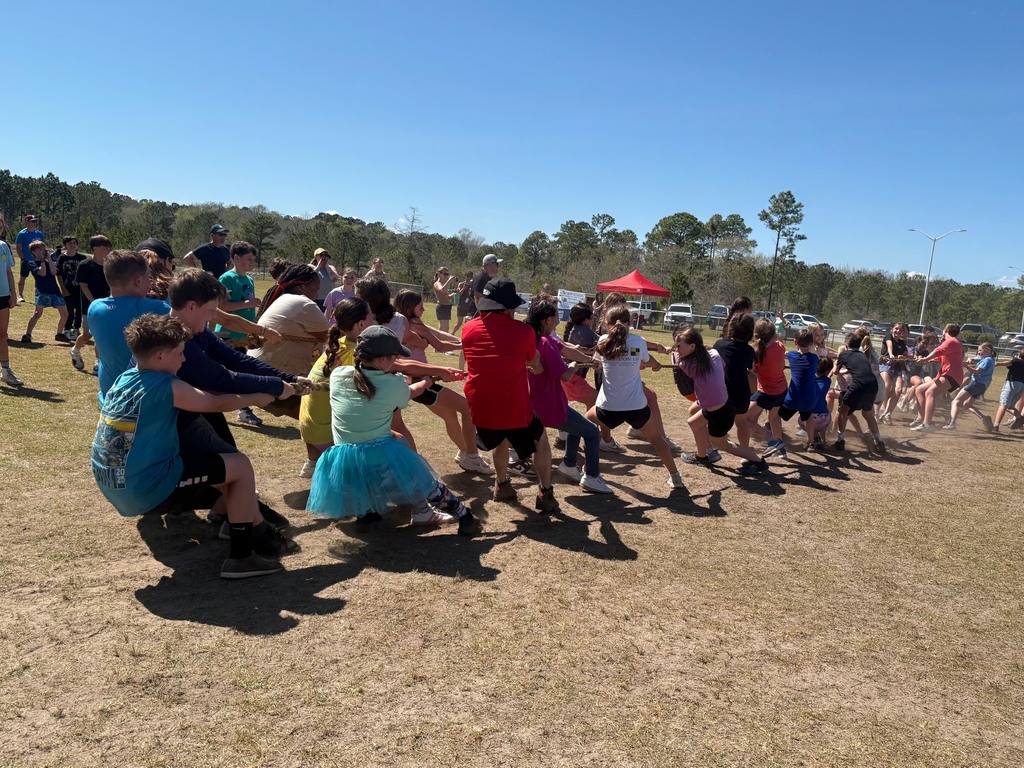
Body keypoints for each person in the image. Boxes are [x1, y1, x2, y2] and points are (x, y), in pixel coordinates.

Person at [91, 313, 286, 580]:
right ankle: (241, 559)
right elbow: (214, 403)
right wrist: (260, 397)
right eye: (181, 352)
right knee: (240, 467)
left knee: (222, 477)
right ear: (160, 356)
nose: (184, 359)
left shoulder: (124, 380)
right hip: (143, 488)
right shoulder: (167, 385)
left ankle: (234, 523)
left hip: (112, 482)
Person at [307, 326, 481, 533]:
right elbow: (409, 391)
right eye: (394, 356)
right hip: (376, 455)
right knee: (417, 472)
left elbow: (381, 385)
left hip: (342, 458)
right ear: (381, 360)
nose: (396, 358)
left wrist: (404, 380)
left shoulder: (339, 375)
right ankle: (463, 514)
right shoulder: (391, 386)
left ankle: (367, 512)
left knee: (395, 441)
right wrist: (426, 381)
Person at [462, 277, 560, 512]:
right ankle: (545, 492)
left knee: (500, 436)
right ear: (507, 308)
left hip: (480, 408)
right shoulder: (524, 331)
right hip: (513, 408)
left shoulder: (467, 329)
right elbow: (535, 364)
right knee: (540, 438)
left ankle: (502, 484)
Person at [394, 289, 494, 475]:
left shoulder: (411, 322)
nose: (423, 308)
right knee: (466, 407)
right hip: (421, 381)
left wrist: (461, 340)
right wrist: (466, 344)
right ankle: (472, 456)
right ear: (409, 308)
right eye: (420, 305)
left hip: (420, 378)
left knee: (450, 417)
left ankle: (465, 453)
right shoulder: (411, 326)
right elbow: (439, 345)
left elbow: (436, 333)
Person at [587, 305, 682, 488]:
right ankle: (675, 477)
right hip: (636, 407)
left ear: (607, 325)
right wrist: (654, 365)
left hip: (608, 408)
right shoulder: (638, 342)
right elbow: (650, 362)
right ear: (630, 323)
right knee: (656, 439)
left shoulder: (604, 341)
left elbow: (600, 363)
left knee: (582, 426)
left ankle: (583, 470)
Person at [526, 297, 613, 493]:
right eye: (556, 316)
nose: (558, 321)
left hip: (536, 403)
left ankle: (569, 464)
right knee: (591, 432)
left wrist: (591, 360)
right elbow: (565, 375)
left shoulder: (532, 339)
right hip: (550, 406)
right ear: (546, 320)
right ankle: (592, 476)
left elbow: (568, 349)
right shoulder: (546, 343)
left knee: (577, 425)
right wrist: (573, 367)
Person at [673, 327, 768, 475]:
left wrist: (668, 353)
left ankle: (758, 461)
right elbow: (716, 362)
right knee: (693, 422)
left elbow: (679, 361)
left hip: (719, 413)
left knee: (722, 443)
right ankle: (701, 456)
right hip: (722, 405)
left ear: (692, 347)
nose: (676, 349)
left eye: (679, 346)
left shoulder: (688, 365)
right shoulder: (714, 354)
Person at [299, 298, 373, 478]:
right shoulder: (355, 352)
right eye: (371, 317)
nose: (374, 320)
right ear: (361, 324)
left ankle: (314, 462)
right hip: (323, 433)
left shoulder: (336, 344)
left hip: (308, 425)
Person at [249, 264, 330, 389]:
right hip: (274, 379)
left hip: (258, 372)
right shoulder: (303, 303)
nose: (317, 295)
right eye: (315, 289)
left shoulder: (284, 298)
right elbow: (330, 336)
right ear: (302, 287)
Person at [560, 302, 620, 452]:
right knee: (600, 404)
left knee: (589, 404)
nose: (593, 320)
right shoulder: (584, 331)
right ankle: (604, 439)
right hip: (573, 379)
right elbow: (603, 343)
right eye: (592, 317)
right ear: (587, 320)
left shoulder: (576, 329)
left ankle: (564, 438)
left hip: (570, 378)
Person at [832, 330, 884, 453]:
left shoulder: (844, 354)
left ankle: (840, 441)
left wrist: (836, 363)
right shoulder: (862, 354)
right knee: (867, 414)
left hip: (859, 385)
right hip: (872, 384)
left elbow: (835, 371)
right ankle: (878, 441)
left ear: (846, 344)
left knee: (843, 410)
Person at [744, 318, 787, 457]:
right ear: (774, 334)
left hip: (767, 393)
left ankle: (772, 440)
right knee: (774, 417)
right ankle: (781, 449)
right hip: (781, 390)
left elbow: (751, 369)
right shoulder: (780, 346)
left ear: (756, 335)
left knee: (744, 418)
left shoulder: (754, 351)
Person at [712, 312, 756, 449]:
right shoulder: (749, 351)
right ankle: (745, 452)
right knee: (741, 420)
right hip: (742, 394)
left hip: (723, 394)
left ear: (731, 328)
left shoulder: (720, 345)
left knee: (710, 419)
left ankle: (709, 449)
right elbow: (751, 369)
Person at [910, 324, 964, 432]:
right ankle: (922, 418)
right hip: (945, 375)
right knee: (919, 390)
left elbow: (937, 352)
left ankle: (927, 424)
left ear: (946, 330)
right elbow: (939, 357)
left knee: (930, 393)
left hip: (951, 375)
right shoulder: (950, 343)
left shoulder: (952, 341)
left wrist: (924, 360)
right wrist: (924, 359)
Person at [71, 235, 113, 373]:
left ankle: (98, 361)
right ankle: (76, 350)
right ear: (95, 248)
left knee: (102, 335)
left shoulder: (110, 266)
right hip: (90, 306)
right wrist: (94, 301)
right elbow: (83, 286)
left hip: (107, 306)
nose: (107, 249)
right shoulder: (85, 265)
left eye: (108, 247)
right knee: (88, 334)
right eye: (104, 247)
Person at [777, 329, 820, 450]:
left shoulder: (791, 355)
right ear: (811, 343)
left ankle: (776, 438)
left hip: (793, 398)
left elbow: (784, 354)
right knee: (809, 416)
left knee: (776, 415)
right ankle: (811, 443)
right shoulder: (814, 358)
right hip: (808, 399)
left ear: (795, 342)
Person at [22, 240, 70, 344]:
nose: (43, 251)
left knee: (65, 313)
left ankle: (59, 333)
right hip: (42, 292)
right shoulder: (31, 263)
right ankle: (28, 334)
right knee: (37, 314)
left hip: (55, 291)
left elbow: (54, 272)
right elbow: (42, 273)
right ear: (34, 252)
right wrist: (43, 261)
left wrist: (48, 259)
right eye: (40, 249)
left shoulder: (50, 262)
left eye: (44, 249)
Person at [945, 342, 996, 431]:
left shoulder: (986, 360)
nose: (978, 352)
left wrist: (966, 366)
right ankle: (984, 418)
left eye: (980, 350)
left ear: (987, 350)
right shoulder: (991, 359)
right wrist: (970, 359)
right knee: (967, 404)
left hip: (975, 384)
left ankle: (952, 423)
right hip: (981, 387)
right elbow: (976, 359)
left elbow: (976, 371)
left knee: (955, 402)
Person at [0, 214, 22, 386]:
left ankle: (6, 371)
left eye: (1, 225)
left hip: (3, 296)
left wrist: (13, 293)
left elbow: (8, 272)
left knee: (2, 335)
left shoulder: (3, 247)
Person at [877, 322, 910, 424]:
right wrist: (891, 354)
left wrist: (903, 357)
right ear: (892, 329)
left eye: (900, 330)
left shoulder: (902, 342)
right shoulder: (888, 336)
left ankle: (887, 414)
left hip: (897, 367)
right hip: (886, 363)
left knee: (898, 390)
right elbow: (889, 345)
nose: (898, 331)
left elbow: (906, 355)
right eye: (896, 329)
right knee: (886, 386)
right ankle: (876, 412)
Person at [56, 237, 85, 338]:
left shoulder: (82, 258)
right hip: (67, 288)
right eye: (70, 243)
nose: (72, 245)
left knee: (79, 310)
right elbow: (59, 274)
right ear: (65, 245)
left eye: (74, 243)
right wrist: (63, 288)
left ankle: (76, 329)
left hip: (80, 289)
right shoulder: (62, 258)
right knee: (69, 310)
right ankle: (67, 329)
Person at [991, 347, 1024, 431]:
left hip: (1011, 384)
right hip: (1021, 386)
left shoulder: (1016, 361)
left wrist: (997, 364)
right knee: (1010, 406)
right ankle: (1019, 417)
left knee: (1003, 404)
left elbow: (1007, 363)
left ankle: (996, 425)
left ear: (1019, 354)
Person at [14, 214, 43, 304]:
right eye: (32, 221)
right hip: (26, 260)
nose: (35, 223)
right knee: (23, 277)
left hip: (37, 260)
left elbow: (42, 246)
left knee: (38, 278)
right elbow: (18, 247)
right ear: (27, 222)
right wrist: (22, 258)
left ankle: (37, 296)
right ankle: (20, 295)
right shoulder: (22, 234)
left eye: (35, 221)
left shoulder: (39, 233)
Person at [432, 267, 456, 332]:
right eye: (444, 274)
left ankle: (436, 340)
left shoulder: (443, 284)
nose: (446, 276)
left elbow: (447, 297)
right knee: (445, 329)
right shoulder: (437, 283)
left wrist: (453, 294)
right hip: (442, 307)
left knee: (443, 329)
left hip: (446, 307)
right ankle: (437, 341)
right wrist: (449, 281)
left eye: (447, 274)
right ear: (439, 274)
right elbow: (442, 290)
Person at [451, 270, 475, 335]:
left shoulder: (473, 285)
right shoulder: (461, 284)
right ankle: (452, 334)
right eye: (467, 276)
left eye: (470, 276)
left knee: (467, 323)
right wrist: (464, 288)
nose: (469, 278)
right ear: (465, 276)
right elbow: (458, 295)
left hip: (469, 307)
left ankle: (464, 336)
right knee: (459, 323)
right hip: (461, 306)